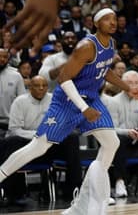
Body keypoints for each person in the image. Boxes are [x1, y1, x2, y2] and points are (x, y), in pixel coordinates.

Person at [0, 8, 138, 215]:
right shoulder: (86, 46)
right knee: (38, 147)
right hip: (67, 101)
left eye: (114, 19)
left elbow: (105, 70)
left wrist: (128, 87)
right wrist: (84, 109)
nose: (113, 22)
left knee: (112, 143)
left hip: (91, 98)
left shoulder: (110, 44)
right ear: (96, 24)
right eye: (107, 19)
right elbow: (63, 78)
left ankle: (85, 199)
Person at [0, 75, 81, 203]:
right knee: (12, 141)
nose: (41, 88)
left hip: (50, 147)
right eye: (37, 86)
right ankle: (10, 194)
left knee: (72, 137)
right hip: (26, 146)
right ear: (29, 87)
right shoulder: (20, 102)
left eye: (44, 86)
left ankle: (74, 190)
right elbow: (15, 130)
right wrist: (38, 136)